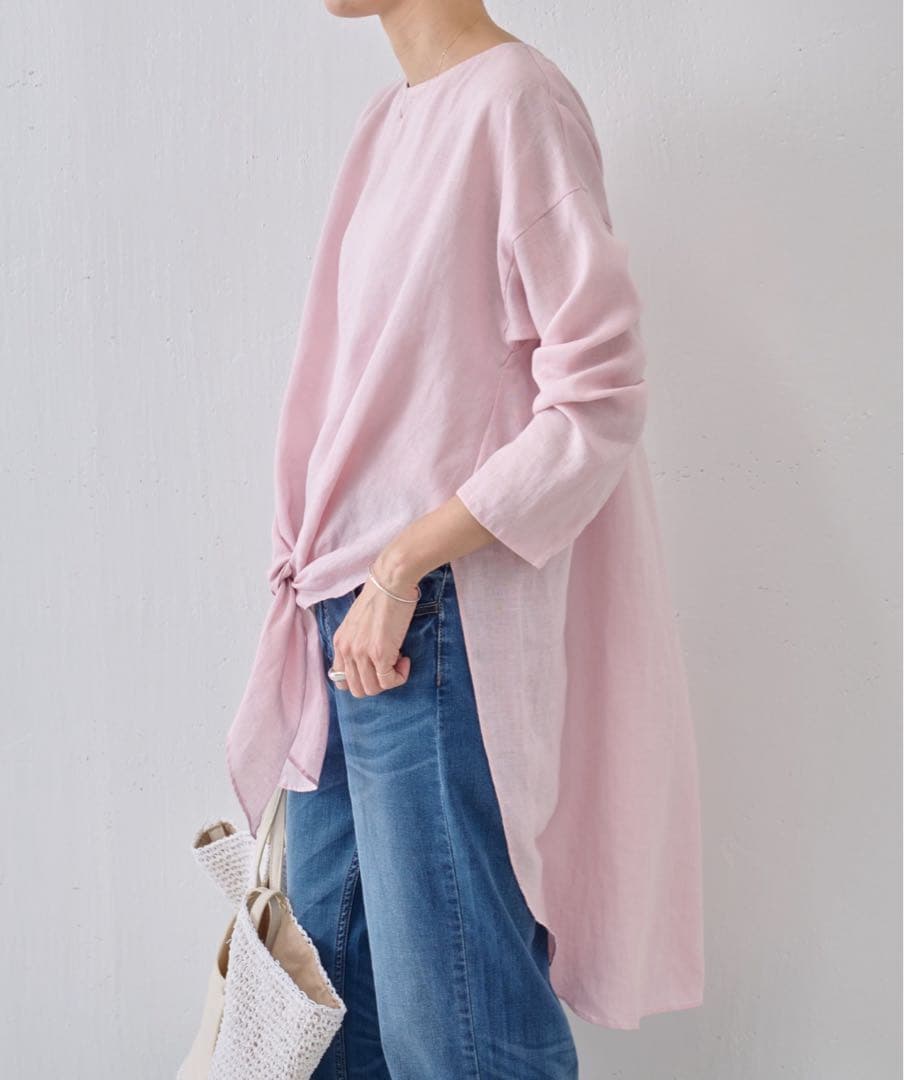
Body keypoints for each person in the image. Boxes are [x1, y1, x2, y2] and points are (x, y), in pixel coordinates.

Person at [225, 2, 705, 1077]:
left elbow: (599, 396)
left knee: (457, 1030)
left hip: (426, 619)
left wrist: (404, 562)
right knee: (328, 1022)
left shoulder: (516, 103)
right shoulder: (390, 119)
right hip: (339, 611)